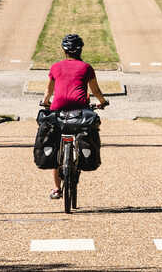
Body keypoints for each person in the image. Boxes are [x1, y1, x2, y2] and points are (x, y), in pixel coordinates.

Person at [42, 33, 108, 199]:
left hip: (58, 109)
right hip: (80, 109)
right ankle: (79, 159)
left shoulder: (55, 67)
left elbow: (49, 91)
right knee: (83, 133)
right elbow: (95, 91)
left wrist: (45, 102)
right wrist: (102, 102)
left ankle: (57, 189)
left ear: (64, 51)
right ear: (80, 50)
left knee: (56, 145)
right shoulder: (86, 68)